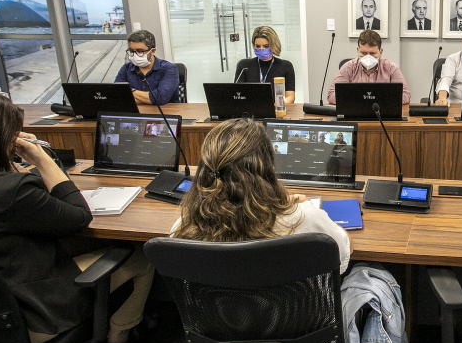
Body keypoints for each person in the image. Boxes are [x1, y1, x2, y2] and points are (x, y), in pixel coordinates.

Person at [0, 87, 154, 343]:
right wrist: (42, 159)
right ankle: (118, 337)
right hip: (28, 316)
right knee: (142, 255)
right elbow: (79, 217)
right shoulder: (9, 191)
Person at [171, 118, 350, 275]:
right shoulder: (305, 217)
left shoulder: (185, 227)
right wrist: (308, 210)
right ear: (267, 167)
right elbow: (343, 253)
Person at [327, 29, 410, 105]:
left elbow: (406, 95)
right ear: (358, 51)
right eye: (363, 53)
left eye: (372, 53)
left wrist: (374, 100)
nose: (368, 57)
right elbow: (331, 95)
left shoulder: (391, 68)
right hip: (355, 112)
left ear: (380, 52)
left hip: (382, 113)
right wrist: (361, 100)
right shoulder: (348, 68)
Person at [115, 29, 180, 105]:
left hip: (166, 111)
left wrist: (131, 92)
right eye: (132, 51)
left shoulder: (169, 68)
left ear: (152, 51)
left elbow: (160, 98)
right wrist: (146, 99)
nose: (135, 55)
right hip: (136, 111)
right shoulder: (126, 68)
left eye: (140, 51)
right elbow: (116, 94)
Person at [234, 26, 296, 103]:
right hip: (250, 108)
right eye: (257, 46)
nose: (261, 49)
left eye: (266, 46)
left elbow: (290, 97)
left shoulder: (285, 66)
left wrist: (277, 106)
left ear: (273, 45)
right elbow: (237, 94)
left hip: (276, 108)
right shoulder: (244, 66)